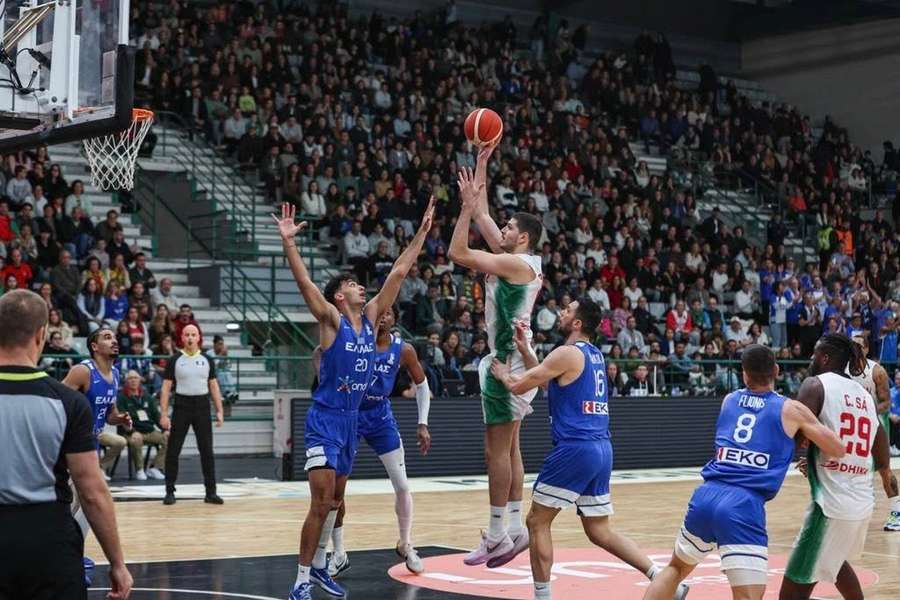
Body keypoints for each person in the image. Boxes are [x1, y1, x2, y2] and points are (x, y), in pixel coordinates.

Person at [274, 198, 433, 600]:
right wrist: (289, 243)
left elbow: (399, 271)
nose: (360, 286)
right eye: (351, 284)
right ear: (340, 297)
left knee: (335, 501)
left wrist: (421, 234)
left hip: (351, 422)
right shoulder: (332, 321)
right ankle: (301, 580)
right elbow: (306, 286)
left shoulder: (374, 316)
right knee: (320, 501)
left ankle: (322, 567)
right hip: (325, 419)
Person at [491, 299, 687, 600]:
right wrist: (526, 352)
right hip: (601, 449)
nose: (562, 312)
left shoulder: (566, 353)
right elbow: (549, 383)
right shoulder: (593, 354)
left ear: (577, 323)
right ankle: (664, 581)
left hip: (575, 448)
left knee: (537, 521)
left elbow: (519, 385)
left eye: (567, 310)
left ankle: (542, 597)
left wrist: (503, 373)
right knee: (599, 530)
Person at [643, 344, 846, 600]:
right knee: (747, 596)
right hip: (743, 505)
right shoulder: (791, 410)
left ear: (744, 373)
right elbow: (837, 448)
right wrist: (804, 432)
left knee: (675, 568)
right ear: (776, 370)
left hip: (706, 496)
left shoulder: (729, 400)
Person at [0, 290, 132, 598]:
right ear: (41, 335)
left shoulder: (107, 379)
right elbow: (93, 492)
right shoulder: (68, 400)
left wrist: (118, 418)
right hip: (48, 541)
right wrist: (117, 563)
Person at [449, 144, 544, 567]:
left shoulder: (516, 265)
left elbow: (458, 253)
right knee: (511, 449)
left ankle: (496, 535)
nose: (500, 227)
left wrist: (464, 210)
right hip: (517, 357)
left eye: (508, 227)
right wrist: (482, 164)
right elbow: (485, 215)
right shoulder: (520, 260)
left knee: (496, 452)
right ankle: (515, 527)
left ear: (521, 237)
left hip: (507, 361)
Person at [779, 333, 895, 600]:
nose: (811, 358)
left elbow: (794, 434)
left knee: (792, 593)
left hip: (829, 506)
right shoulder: (864, 396)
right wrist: (882, 473)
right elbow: (880, 445)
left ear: (825, 358)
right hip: (861, 503)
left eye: (815, 353)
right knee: (834, 561)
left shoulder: (815, 385)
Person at [326, 305, 432, 577]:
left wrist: (422, 423)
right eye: (379, 313)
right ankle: (339, 552)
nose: (383, 317)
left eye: (388, 314)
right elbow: (321, 354)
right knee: (337, 490)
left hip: (380, 417)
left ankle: (405, 543)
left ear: (395, 319)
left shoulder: (403, 349)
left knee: (402, 485)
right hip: (350, 415)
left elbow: (422, 385)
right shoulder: (355, 343)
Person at [61, 326, 131, 583]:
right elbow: (57, 402)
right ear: (94, 346)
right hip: (71, 447)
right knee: (83, 503)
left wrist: (120, 419)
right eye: (107, 337)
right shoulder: (83, 371)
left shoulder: (115, 373)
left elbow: (109, 413)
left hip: (92, 445)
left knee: (85, 506)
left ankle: (71, 555)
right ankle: (67, 558)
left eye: (115, 337)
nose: (114, 341)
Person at [159, 324, 225, 505]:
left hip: (202, 406)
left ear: (198, 337)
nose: (190, 338)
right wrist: (163, 414)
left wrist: (219, 410)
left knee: (207, 451)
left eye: (193, 335)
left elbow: (214, 386)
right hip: (182, 405)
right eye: (187, 334)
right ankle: (169, 491)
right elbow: (165, 388)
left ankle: (211, 492)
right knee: (173, 450)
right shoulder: (175, 360)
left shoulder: (207, 359)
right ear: (182, 337)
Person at [847, 335, 900, 531]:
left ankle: (897, 512)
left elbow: (886, 402)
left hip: (875, 423)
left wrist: (867, 411)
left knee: (884, 469)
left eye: (859, 346)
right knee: (849, 468)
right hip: (851, 425)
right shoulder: (842, 370)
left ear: (867, 349)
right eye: (852, 345)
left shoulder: (877, 371)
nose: (855, 348)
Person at [118, 370, 168, 481]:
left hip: (149, 431)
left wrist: (165, 429)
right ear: (126, 381)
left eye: (135, 378)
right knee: (136, 439)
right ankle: (139, 470)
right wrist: (132, 432)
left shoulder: (147, 396)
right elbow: (123, 419)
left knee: (170, 438)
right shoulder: (121, 398)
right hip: (130, 432)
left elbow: (156, 416)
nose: (133, 380)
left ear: (140, 380)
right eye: (130, 378)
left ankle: (155, 468)